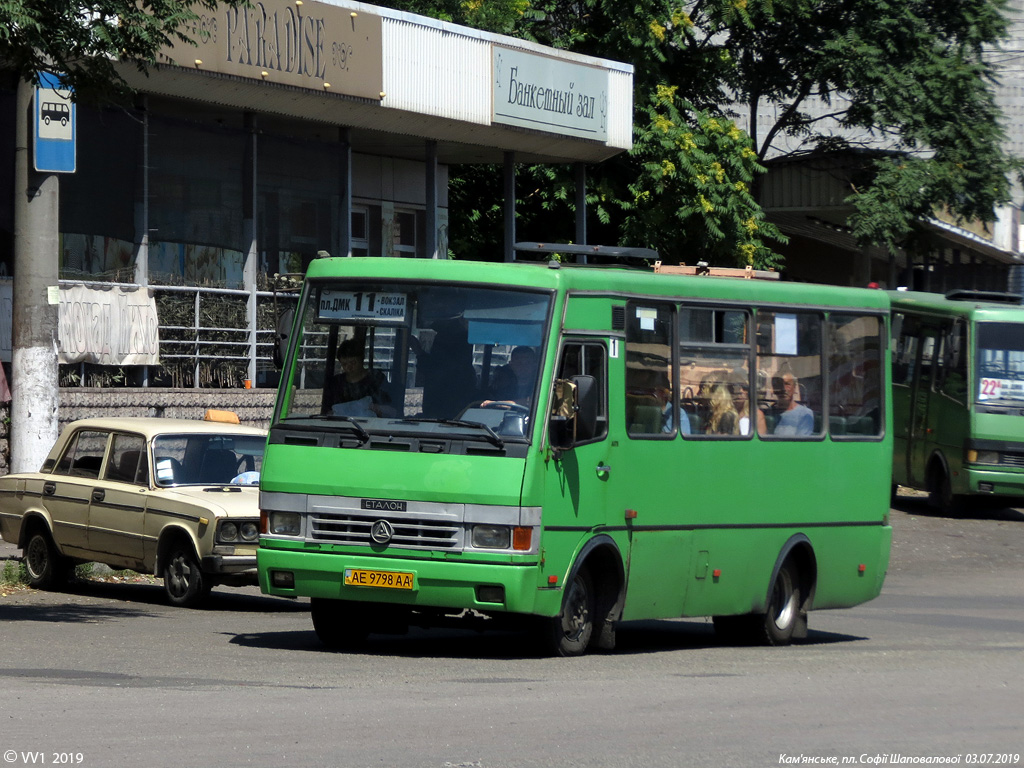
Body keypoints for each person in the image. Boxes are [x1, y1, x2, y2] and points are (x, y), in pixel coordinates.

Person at [324, 338, 392, 416]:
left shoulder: (377, 379)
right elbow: (326, 413)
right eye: (344, 364)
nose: (349, 367)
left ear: (362, 359)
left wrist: (378, 408)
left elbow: (392, 411)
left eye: (353, 362)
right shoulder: (336, 383)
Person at [770, 372, 814, 436]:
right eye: (779, 385)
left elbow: (801, 443)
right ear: (774, 389)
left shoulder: (805, 414)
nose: (784, 389)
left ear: (794, 388)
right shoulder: (770, 412)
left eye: (787, 384)